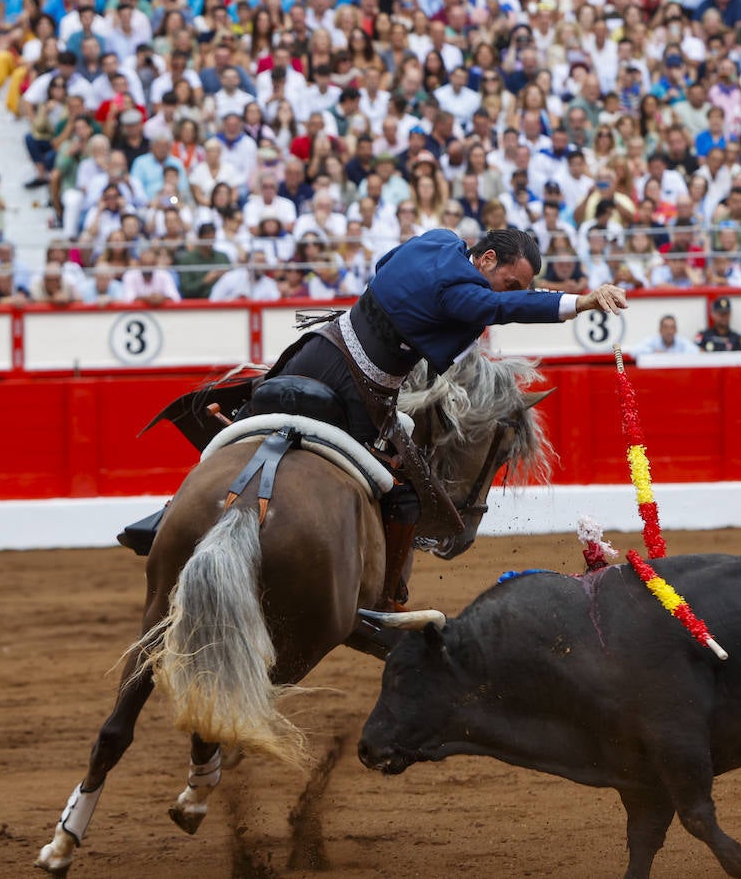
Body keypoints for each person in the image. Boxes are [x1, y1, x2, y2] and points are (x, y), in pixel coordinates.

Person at [243, 228, 627, 612]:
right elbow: (506, 308)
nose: (506, 295)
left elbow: (384, 265)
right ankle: (385, 598)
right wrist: (581, 302)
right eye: (508, 284)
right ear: (487, 259)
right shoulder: (465, 296)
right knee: (401, 494)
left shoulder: (438, 240)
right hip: (358, 392)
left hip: (313, 351)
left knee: (236, 428)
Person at [632, 315, 700, 356]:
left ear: (676, 330)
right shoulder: (653, 341)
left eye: (672, 327)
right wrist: (653, 352)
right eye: (665, 327)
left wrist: (676, 356)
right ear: (660, 330)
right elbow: (634, 351)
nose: (669, 331)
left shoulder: (682, 342)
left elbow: (696, 352)